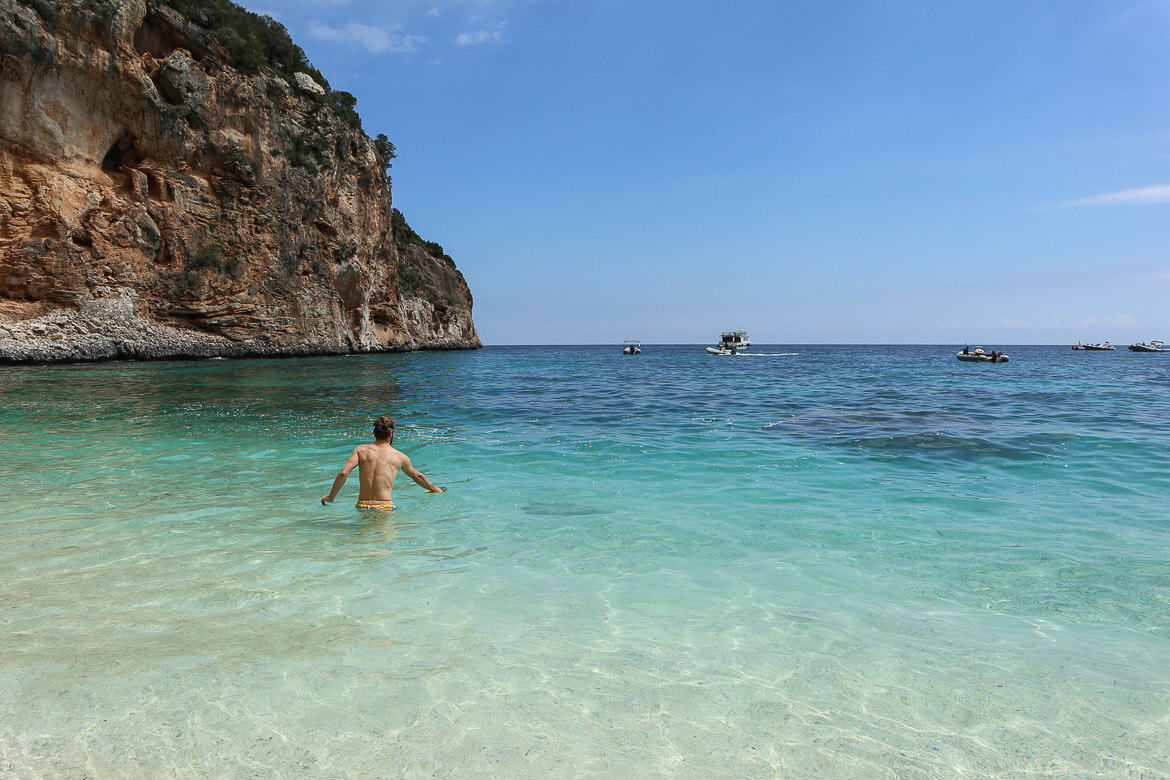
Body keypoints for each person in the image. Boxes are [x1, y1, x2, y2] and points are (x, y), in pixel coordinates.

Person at [321, 415, 445, 511]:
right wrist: (435, 489)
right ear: (391, 433)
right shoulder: (400, 456)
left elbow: (343, 473)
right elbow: (418, 477)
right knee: (384, 542)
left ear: (375, 432)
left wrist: (331, 497)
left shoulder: (361, 450)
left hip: (362, 506)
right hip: (385, 507)